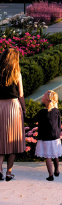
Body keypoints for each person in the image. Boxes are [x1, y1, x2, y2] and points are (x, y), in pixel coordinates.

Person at [0, 49, 25, 181]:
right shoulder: (16, 73)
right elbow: (21, 94)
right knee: (13, 140)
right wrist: (24, 109)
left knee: (0, 139)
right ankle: (9, 173)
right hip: (13, 107)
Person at [34, 90, 61, 181]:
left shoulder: (42, 112)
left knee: (48, 156)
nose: (42, 97)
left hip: (45, 137)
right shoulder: (56, 111)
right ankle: (57, 170)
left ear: (47, 100)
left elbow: (31, 120)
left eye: (44, 96)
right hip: (55, 137)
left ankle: (50, 175)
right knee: (55, 154)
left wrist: (21, 115)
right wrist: (57, 134)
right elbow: (59, 124)